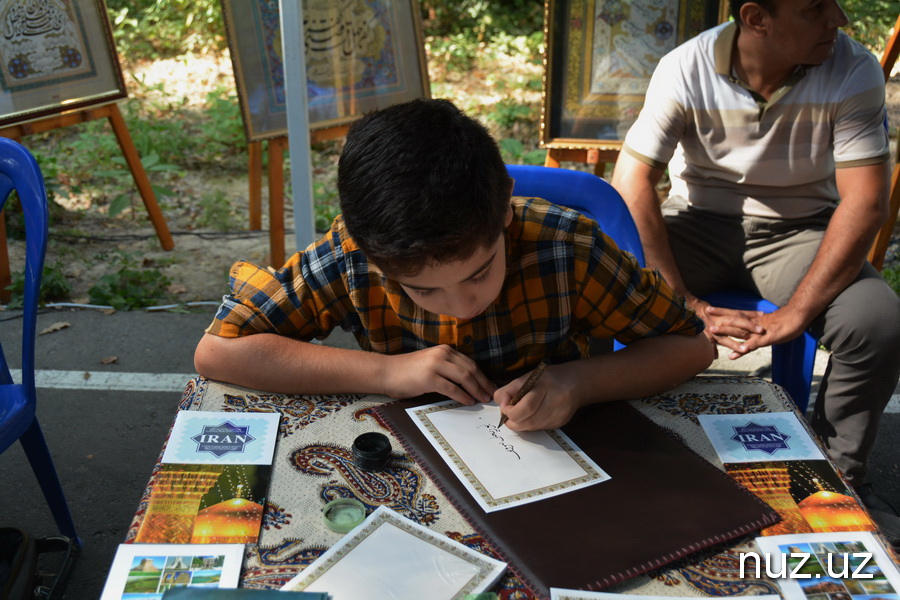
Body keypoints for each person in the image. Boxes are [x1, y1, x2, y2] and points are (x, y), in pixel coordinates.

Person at [195, 98, 714, 431]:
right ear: (371, 250)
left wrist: (578, 383)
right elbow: (219, 351)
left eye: (480, 273)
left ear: (506, 207)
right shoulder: (353, 255)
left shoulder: (566, 249)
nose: (462, 307)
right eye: (422, 292)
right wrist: (385, 372)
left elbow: (691, 345)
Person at [611, 0, 900, 545]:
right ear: (756, 18)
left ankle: (836, 490)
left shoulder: (853, 68)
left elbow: (865, 203)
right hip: (694, 223)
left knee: (876, 320)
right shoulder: (687, 66)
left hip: (799, 231)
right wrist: (683, 303)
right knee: (606, 282)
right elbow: (633, 180)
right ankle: (623, 462)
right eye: (816, 9)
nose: (838, 20)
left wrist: (797, 313)